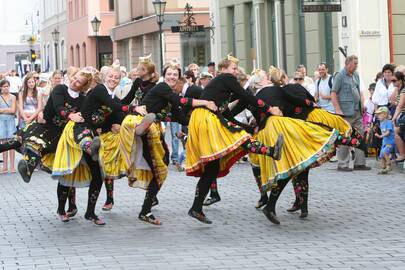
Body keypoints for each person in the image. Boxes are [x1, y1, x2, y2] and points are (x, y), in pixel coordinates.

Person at [185, 54, 284, 224]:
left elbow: (228, 113)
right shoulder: (226, 78)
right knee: (240, 139)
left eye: (236, 68)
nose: (236, 71)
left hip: (203, 118)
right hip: (207, 118)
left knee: (212, 168)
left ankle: (196, 208)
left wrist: (246, 127)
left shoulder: (220, 86)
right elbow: (245, 97)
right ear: (223, 69)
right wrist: (269, 109)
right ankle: (271, 151)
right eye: (233, 68)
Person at [120, 63, 217, 225]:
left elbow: (181, 117)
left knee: (161, 167)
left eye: (175, 74)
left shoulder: (168, 94)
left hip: (153, 129)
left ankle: (147, 207)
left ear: (178, 77)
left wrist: (203, 121)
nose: (172, 77)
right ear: (165, 76)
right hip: (143, 124)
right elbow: (182, 101)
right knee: (160, 170)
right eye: (169, 74)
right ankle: (145, 210)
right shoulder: (162, 87)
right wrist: (205, 103)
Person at [101, 54, 159, 212]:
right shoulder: (138, 82)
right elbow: (126, 100)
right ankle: (109, 198)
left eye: (140, 67)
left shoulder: (155, 87)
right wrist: (114, 104)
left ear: (146, 70)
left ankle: (152, 194)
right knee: (108, 165)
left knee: (149, 161)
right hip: (133, 120)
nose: (136, 69)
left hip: (147, 122)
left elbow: (155, 107)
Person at [331, 55, 371, 171]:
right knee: (345, 137)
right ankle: (342, 164)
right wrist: (337, 109)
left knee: (360, 136)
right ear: (347, 63)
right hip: (345, 113)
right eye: (355, 64)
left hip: (357, 111)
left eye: (357, 64)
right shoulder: (340, 76)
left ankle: (360, 163)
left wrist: (362, 103)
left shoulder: (356, 75)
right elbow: (333, 93)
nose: (356, 66)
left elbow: (358, 90)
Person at [0, 80, 17, 173]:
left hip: (10, 121)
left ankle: (12, 166)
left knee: (11, 143)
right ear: (1, 88)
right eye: (4, 86)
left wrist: (2, 110)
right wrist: (8, 110)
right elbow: (9, 110)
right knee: (3, 143)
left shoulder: (13, 97)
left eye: (7, 86)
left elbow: (13, 110)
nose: (6, 88)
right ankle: (5, 166)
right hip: (1, 122)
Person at [374, 107, 395, 174]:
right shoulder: (381, 123)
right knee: (382, 155)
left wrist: (380, 136)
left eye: (379, 114)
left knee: (385, 152)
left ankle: (389, 165)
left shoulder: (388, 122)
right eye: (377, 114)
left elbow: (388, 132)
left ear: (385, 115)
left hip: (390, 142)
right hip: (384, 142)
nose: (378, 116)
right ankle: (383, 168)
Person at [391, 71, 405, 161]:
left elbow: (400, 105)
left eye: (394, 80)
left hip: (403, 115)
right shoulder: (400, 90)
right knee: (396, 133)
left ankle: (402, 154)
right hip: (402, 115)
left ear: (400, 81)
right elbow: (393, 99)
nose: (393, 82)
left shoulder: (403, 90)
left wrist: (394, 117)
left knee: (396, 131)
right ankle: (402, 154)